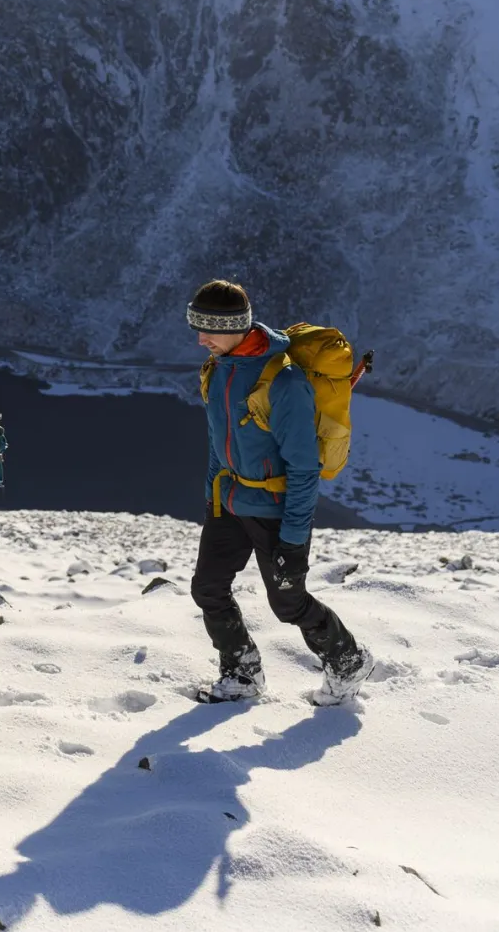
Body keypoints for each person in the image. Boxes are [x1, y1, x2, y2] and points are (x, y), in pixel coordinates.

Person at [187, 280, 372, 704]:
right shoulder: (218, 370)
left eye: (208, 327)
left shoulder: (284, 381)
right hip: (230, 503)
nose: (200, 338)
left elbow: (304, 468)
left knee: (288, 602)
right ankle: (241, 672)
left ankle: (348, 659)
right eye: (194, 324)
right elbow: (218, 440)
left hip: (274, 509)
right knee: (208, 588)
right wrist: (212, 501)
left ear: (234, 326)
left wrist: (293, 538)